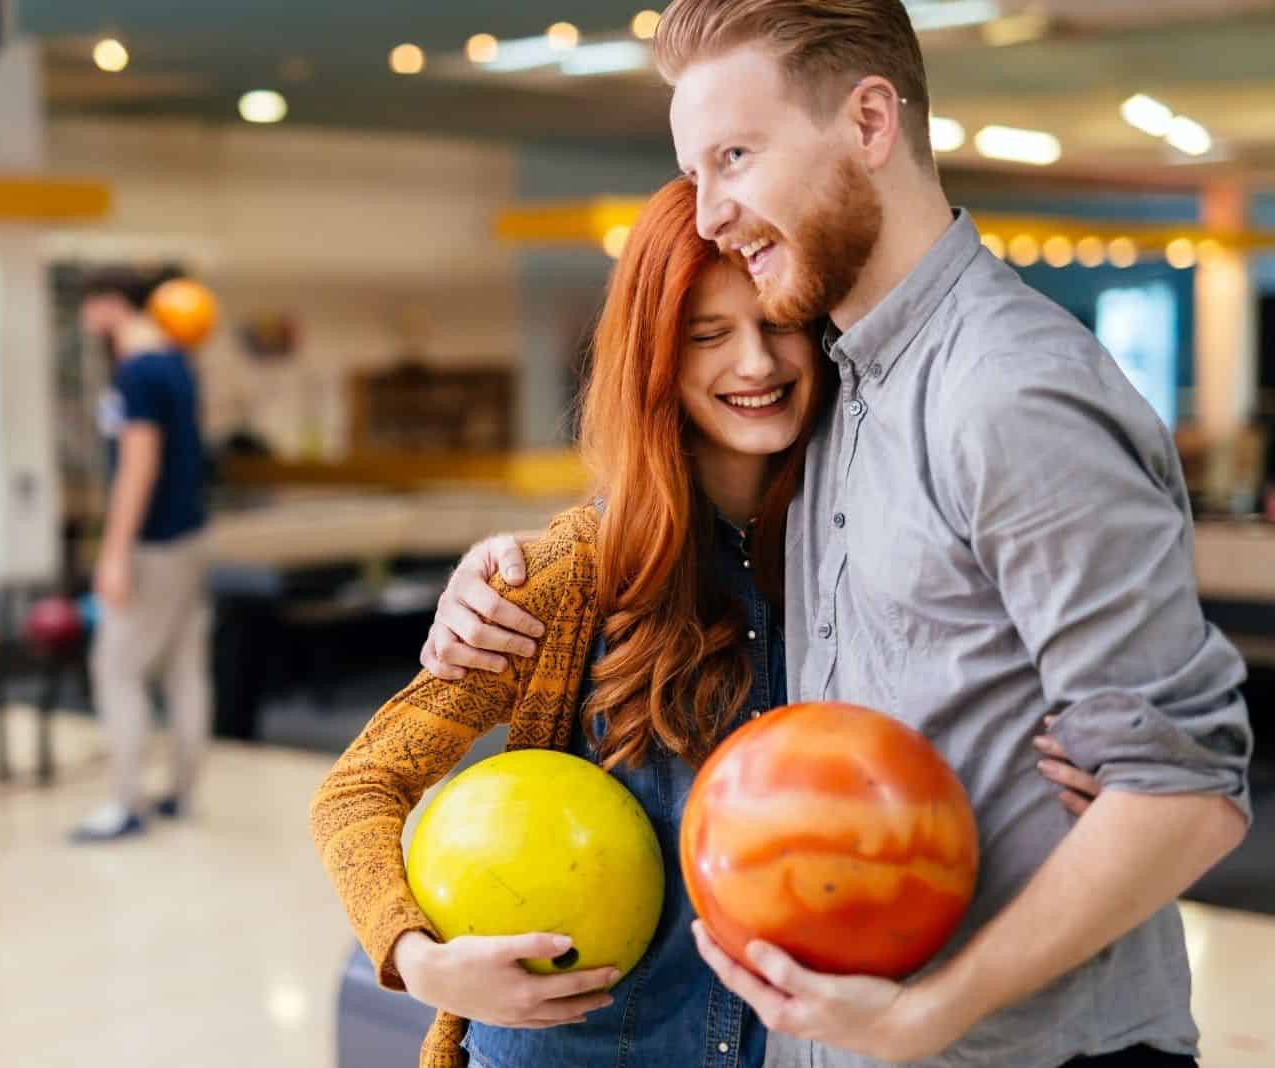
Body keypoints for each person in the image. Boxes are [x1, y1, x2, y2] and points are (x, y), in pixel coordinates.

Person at [420, 3, 1254, 1067]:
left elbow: (1183, 792)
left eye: (733, 157)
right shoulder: (835, 390)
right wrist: (508, 571)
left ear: (868, 124)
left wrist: (924, 1016)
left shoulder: (1006, 393)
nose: (708, 211)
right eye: (696, 168)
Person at [311, 181, 1092, 1068]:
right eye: (708, 336)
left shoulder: (880, 559)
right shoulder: (569, 576)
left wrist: (1082, 774)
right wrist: (423, 963)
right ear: (658, 359)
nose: (753, 365)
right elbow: (358, 789)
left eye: (778, 324)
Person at [70, 268, 212, 843]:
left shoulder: (135, 373)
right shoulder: (178, 364)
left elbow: (138, 465)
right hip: (193, 536)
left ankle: (124, 801)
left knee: (115, 668)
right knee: (183, 667)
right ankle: (182, 790)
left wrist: (113, 552)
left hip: (154, 544)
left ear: (108, 305)